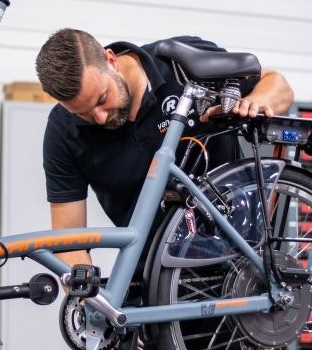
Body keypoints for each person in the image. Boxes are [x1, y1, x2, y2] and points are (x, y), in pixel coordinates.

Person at [35, 28, 294, 268]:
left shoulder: (181, 65)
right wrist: (85, 298)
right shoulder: (64, 131)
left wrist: (255, 102)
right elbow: (68, 240)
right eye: (83, 113)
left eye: (102, 99)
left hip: (238, 264)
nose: (100, 118)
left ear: (111, 60)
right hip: (152, 275)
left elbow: (277, 83)